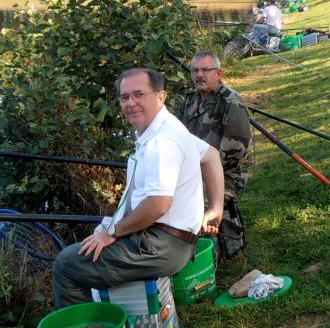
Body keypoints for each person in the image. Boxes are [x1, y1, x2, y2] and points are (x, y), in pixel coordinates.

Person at [52, 67, 224, 308]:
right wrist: (216, 207)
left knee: (66, 265)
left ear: (160, 96)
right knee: (87, 249)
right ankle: (109, 321)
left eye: (139, 94)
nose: (131, 103)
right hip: (175, 240)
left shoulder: (162, 142)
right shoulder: (168, 126)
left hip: (162, 245)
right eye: (125, 97)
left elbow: (158, 205)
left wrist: (112, 233)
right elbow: (212, 155)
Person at [179, 51, 252, 260]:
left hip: (228, 172)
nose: (199, 75)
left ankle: (211, 254)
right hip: (197, 169)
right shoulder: (190, 100)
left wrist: (198, 172)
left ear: (218, 73)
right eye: (195, 70)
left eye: (205, 70)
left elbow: (235, 150)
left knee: (190, 198)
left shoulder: (231, 102)